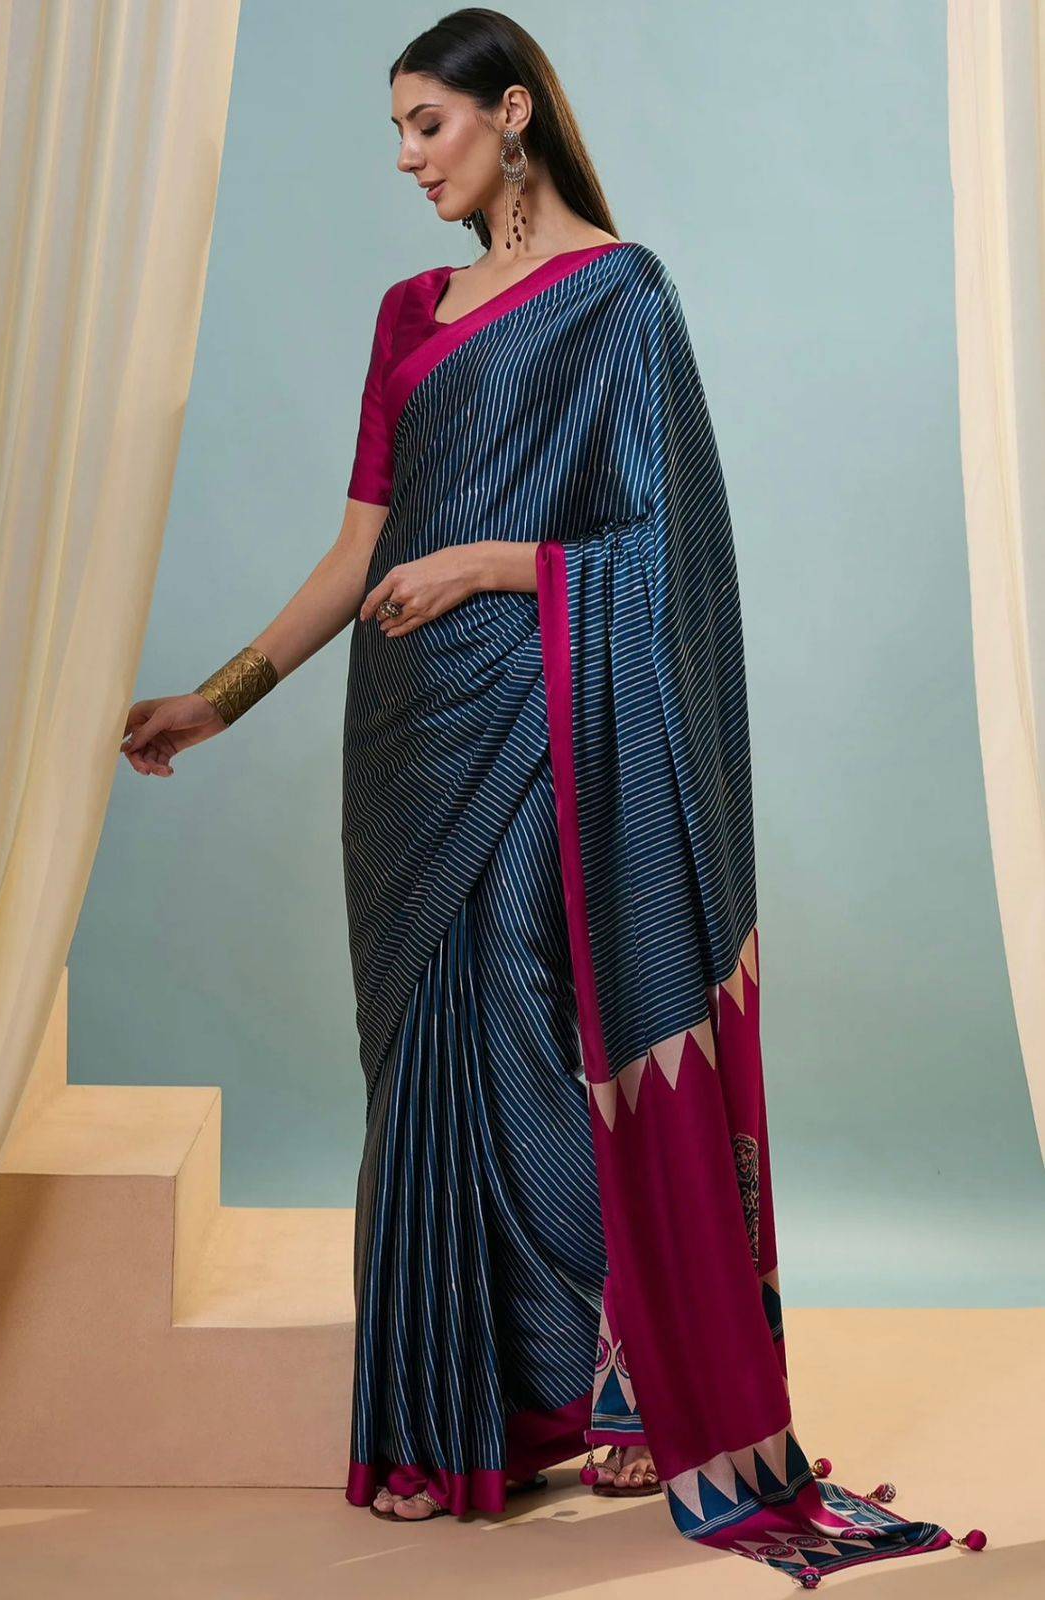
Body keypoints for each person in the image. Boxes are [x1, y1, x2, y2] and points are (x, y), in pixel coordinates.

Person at [121, 8, 984, 1589]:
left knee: (522, 1027)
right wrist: (221, 697)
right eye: (396, 131)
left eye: (428, 125)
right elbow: (357, 549)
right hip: (404, 745)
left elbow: (668, 553)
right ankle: (463, 1426)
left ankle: (601, 1375)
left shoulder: (620, 300)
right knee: (423, 1069)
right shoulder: (408, 316)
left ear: (511, 113)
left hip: (536, 720)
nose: (407, 160)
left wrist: (486, 564)